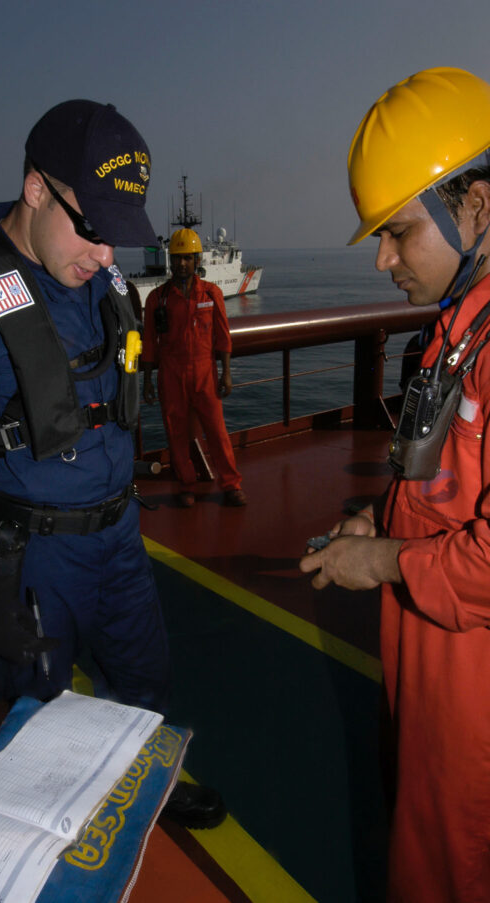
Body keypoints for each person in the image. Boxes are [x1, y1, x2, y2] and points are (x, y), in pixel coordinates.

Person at [0, 100, 224, 828]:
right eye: (94, 229)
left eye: (118, 237)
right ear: (36, 188)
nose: (108, 258)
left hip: (119, 540)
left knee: (144, 684)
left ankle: (146, 786)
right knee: (33, 720)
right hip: (34, 561)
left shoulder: (96, 280)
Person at [299, 67, 490, 902]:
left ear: (475, 207)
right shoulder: (458, 328)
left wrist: (379, 563)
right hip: (431, 692)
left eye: (399, 232)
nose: (382, 260)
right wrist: (374, 521)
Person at [142, 228, 246, 508]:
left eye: (187, 258)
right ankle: (185, 485)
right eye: (177, 258)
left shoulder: (212, 294)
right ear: (171, 261)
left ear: (197, 259)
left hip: (204, 373)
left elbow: (223, 336)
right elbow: (150, 341)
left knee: (216, 431)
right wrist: (148, 380)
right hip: (170, 373)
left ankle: (231, 484)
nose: (182, 264)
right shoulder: (157, 299)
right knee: (176, 432)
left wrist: (226, 373)